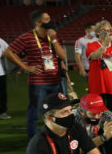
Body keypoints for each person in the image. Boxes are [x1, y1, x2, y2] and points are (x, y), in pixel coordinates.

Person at [4, 10, 67, 138]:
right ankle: (33, 139)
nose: (51, 21)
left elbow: (62, 56)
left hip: (55, 81)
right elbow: (8, 52)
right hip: (39, 83)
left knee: (56, 111)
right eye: (47, 19)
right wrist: (25, 66)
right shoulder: (27, 37)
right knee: (35, 112)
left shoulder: (52, 37)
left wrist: (54, 39)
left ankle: (54, 135)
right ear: (38, 22)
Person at [86, 20, 112, 115]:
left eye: (108, 30)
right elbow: (94, 57)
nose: (106, 32)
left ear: (111, 32)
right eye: (103, 30)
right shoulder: (91, 45)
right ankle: (98, 129)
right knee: (97, 111)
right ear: (98, 32)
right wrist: (104, 44)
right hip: (97, 83)